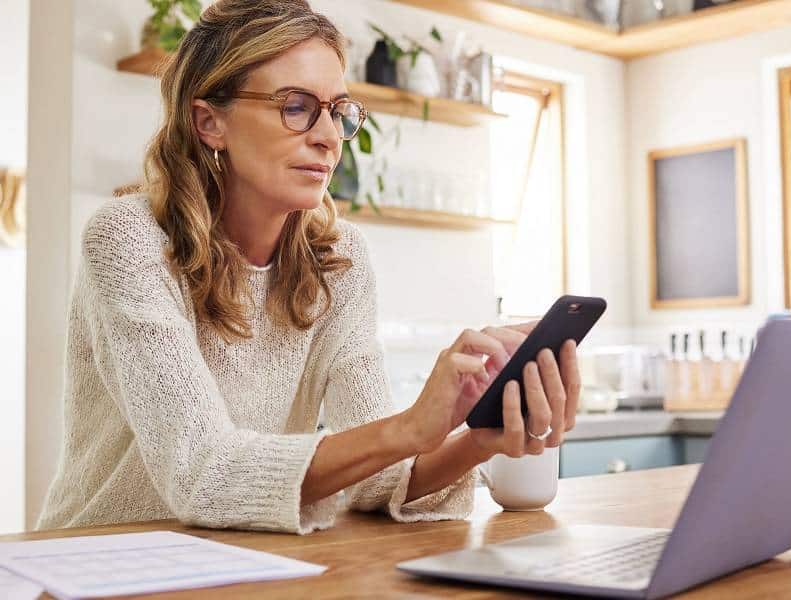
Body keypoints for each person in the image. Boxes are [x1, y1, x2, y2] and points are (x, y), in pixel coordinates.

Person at [36, 0, 582, 534]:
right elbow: (204, 473)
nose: (326, 137)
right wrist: (413, 425)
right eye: (295, 107)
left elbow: (378, 479)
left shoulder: (338, 261)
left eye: (338, 112)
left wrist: (480, 432)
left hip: (242, 568)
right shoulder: (128, 240)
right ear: (209, 122)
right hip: (95, 565)